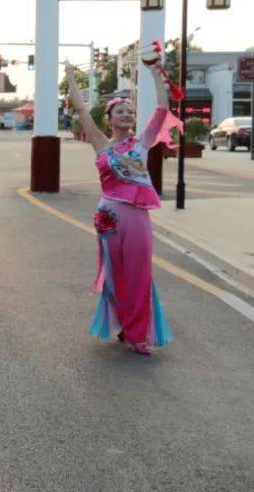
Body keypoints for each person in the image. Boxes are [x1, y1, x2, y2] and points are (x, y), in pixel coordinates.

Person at [66, 62, 174, 354]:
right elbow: (82, 111)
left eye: (130, 111)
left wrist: (155, 73)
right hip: (109, 217)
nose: (127, 115)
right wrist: (70, 77)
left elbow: (162, 110)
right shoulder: (101, 144)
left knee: (139, 274)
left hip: (138, 216)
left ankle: (138, 334)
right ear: (110, 119)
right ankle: (125, 324)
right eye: (120, 111)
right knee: (116, 276)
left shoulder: (142, 143)